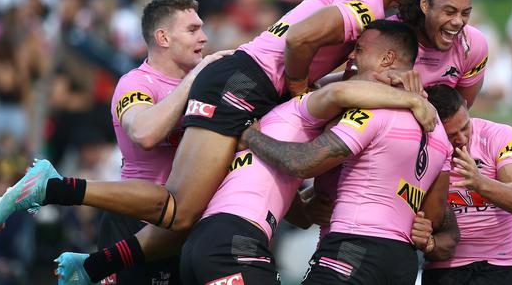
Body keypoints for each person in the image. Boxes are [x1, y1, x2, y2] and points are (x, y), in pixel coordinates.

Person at [0, 0, 431, 283]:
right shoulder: (368, 0)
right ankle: (51, 188)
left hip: (245, 86)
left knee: (184, 216)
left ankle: (93, 264)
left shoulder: (361, 0)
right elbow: (300, 41)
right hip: (243, 85)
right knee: (179, 209)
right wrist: (302, 87)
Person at [0, 0, 230, 284]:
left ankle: (59, 200)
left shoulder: (209, 83)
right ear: (163, 37)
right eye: (192, 30)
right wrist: (192, 81)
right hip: (134, 223)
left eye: (201, 28)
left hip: (184, 228)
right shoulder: (136, 82)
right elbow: (145, 133)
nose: (203, 37)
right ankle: (54, 189)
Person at [180, 20, 436, 284]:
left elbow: (296, 212)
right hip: (234, 241)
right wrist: (412, 99)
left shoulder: (282, 133)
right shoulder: (304, 107)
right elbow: (338, 93)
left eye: (358, 50)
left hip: (209, 241)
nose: (350, 56)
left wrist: (309, 208)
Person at [416, 85, 512, 285]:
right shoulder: (420, 146)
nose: (462, 139)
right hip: (443, 269)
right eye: (451, 135)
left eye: (465, 127)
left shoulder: (501, 136)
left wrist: (480, 183)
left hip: (500, 267)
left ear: (466, 106)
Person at [397, 0, 489, 108]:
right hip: (393, 122)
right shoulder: (389, 37)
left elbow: (458, 115)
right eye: (449, 12)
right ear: (425, 4)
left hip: (443, 126)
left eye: (465, 13)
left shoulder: (474, 45)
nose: (458, 21)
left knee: (506, 131)